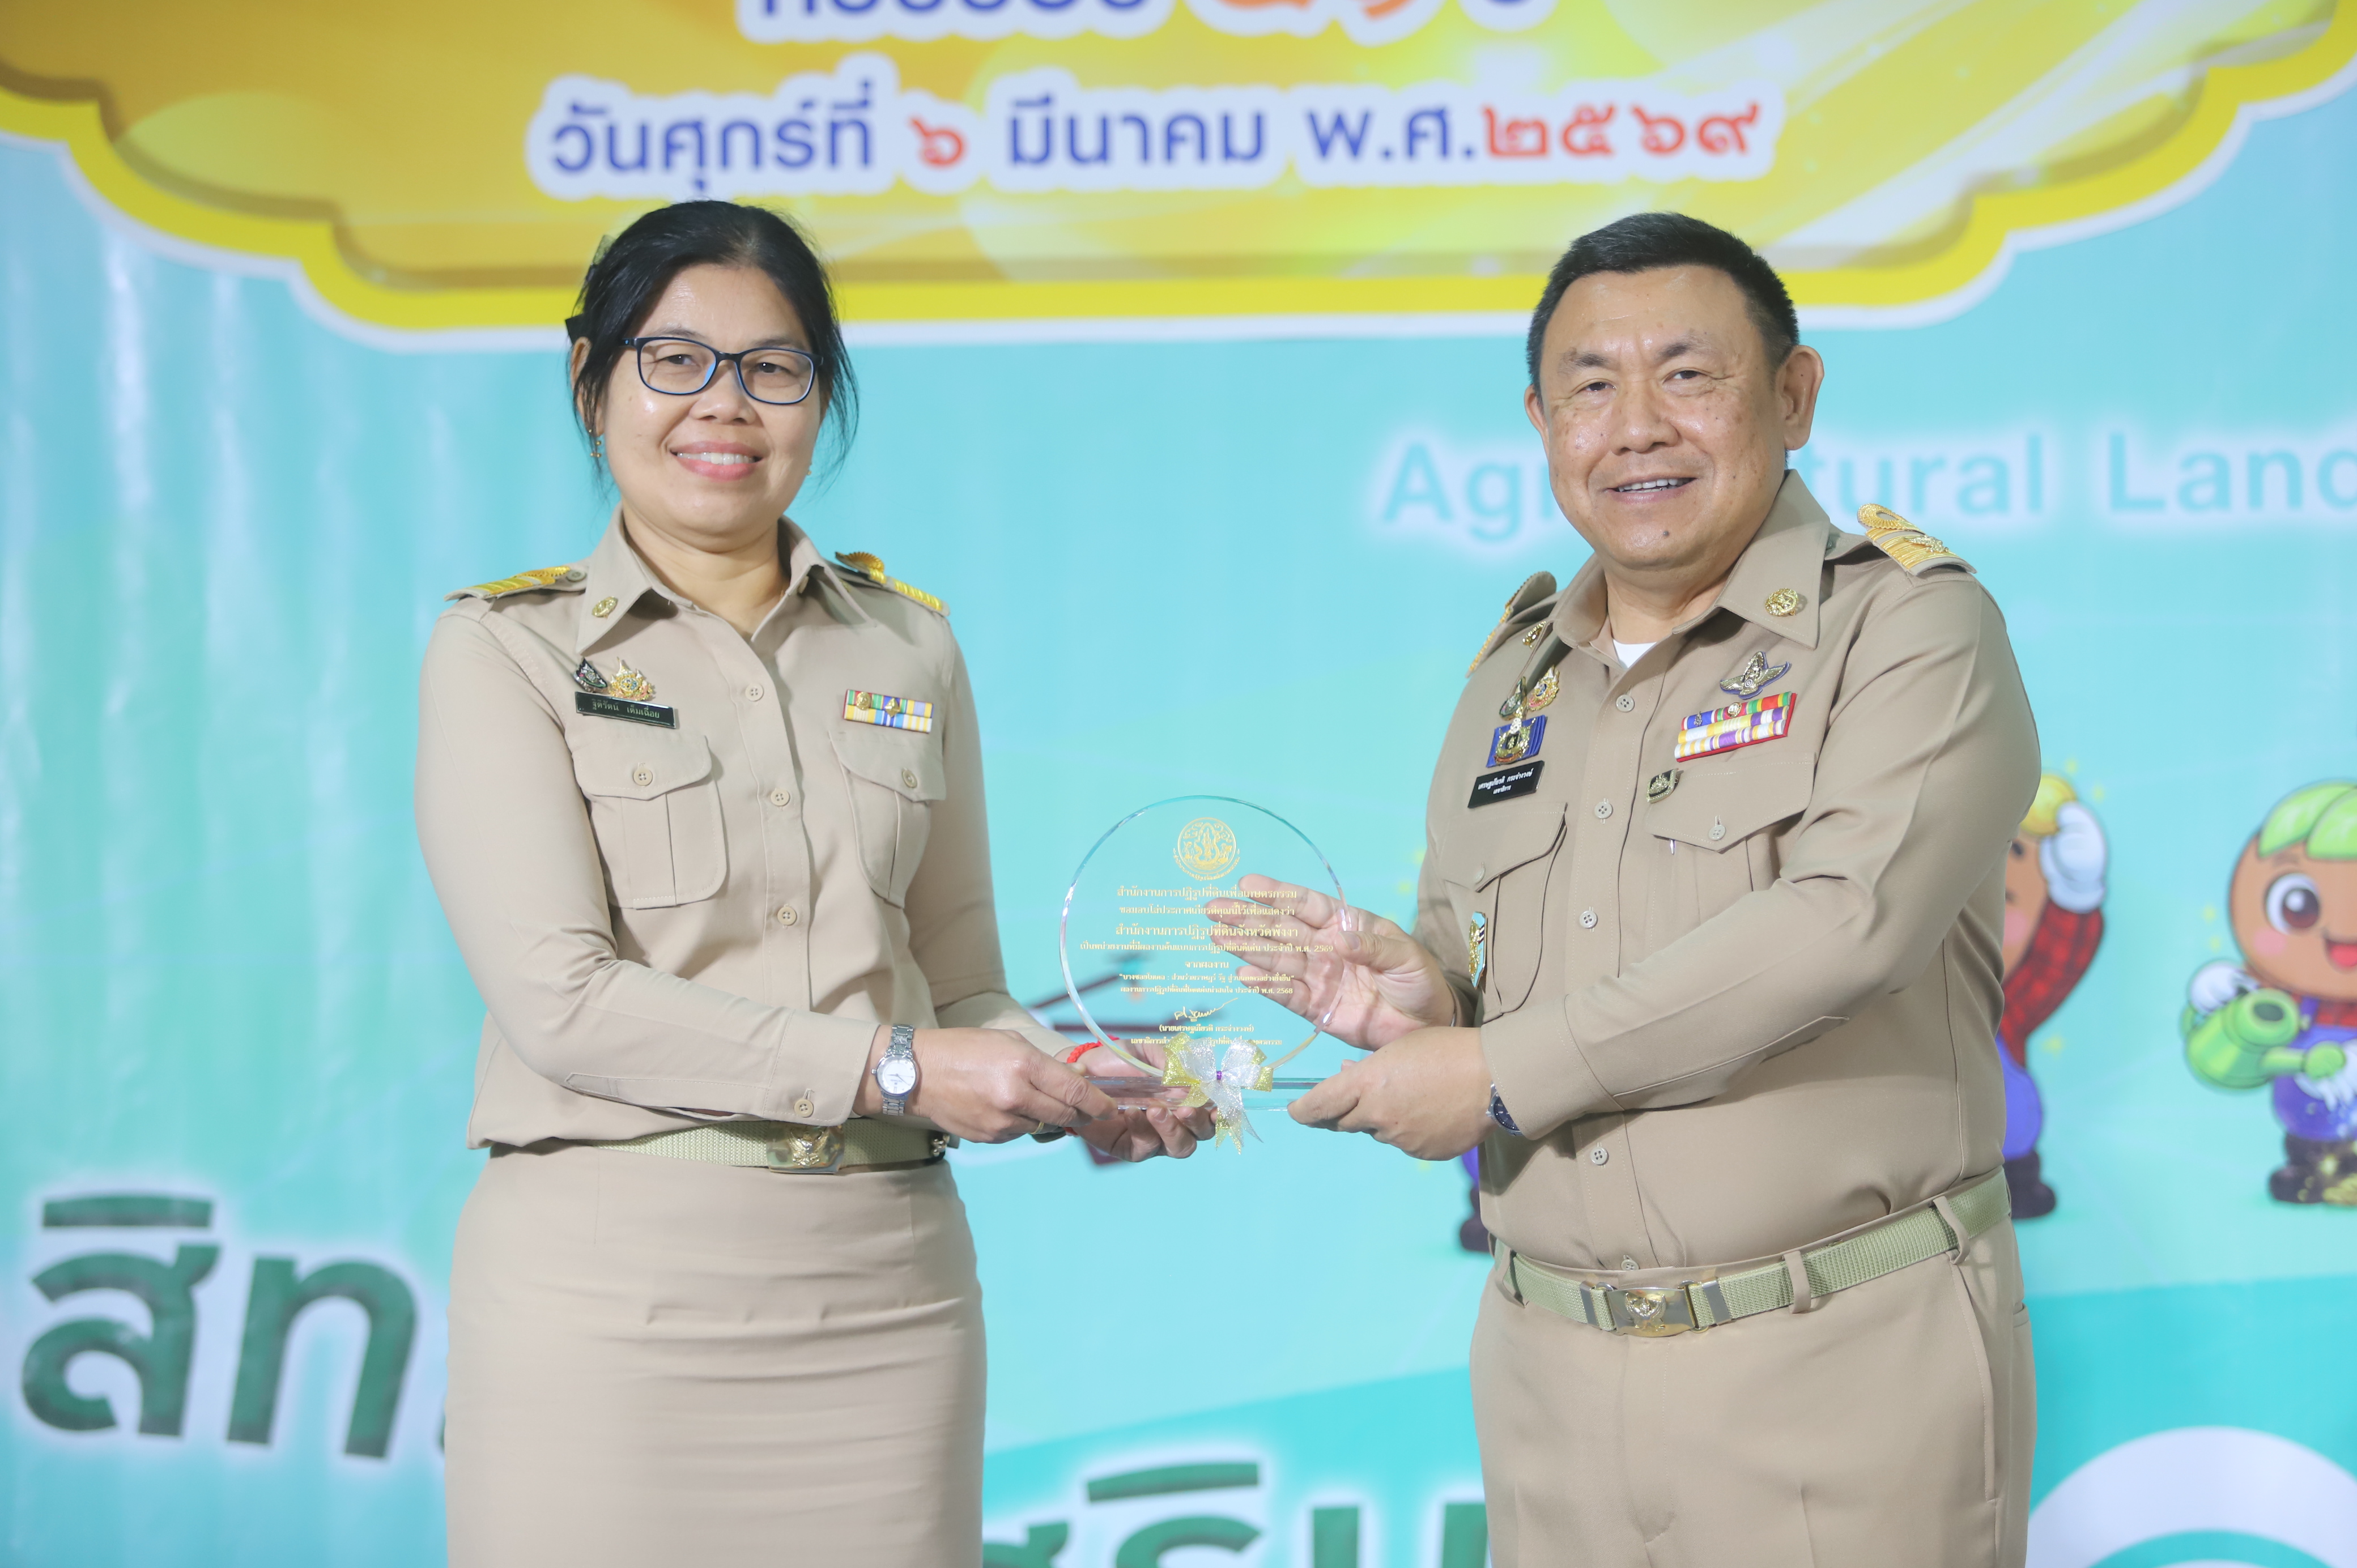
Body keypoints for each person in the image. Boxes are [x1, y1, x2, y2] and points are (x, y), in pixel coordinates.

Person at [1212, 212, 2039, 1565]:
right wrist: (1419, 989)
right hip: (1549, 1377)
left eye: (1688, 374)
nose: (1636, 425)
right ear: (1541, 420)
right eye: (1591, 385)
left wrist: (1490, 1071)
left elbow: (1844, 927)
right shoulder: (1515, 672)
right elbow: (1474, 946)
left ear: (1794, 394)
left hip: (1839, 1364)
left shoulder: (1907, 626)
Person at [415, 200, 1203, 1568]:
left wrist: (1066, 1079)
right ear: (591, 379)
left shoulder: (910, 648)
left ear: (820, 397)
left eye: (775, 369)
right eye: (675, 360)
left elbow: (957, 972)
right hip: (606, 1307)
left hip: (885, 1300)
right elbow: (564, 1003)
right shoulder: (507, 649)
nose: (725, 405)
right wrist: (897, 1067)